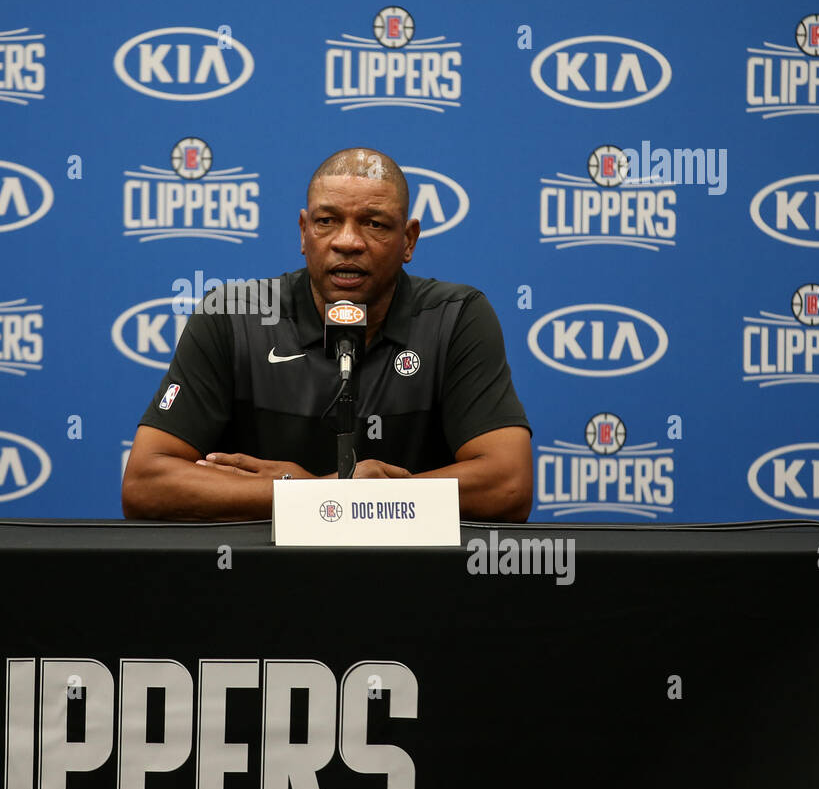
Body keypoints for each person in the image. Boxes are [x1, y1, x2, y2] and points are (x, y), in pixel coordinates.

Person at [121, 148, 533, 522]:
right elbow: (145, 484)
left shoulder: (455, 317)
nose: (348, 242)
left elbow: (508, 485)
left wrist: (342, 499)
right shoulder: (233, 316)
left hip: (409, 582)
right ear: (304, 232)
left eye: (373, 224)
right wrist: (316, 493)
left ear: (408, 240)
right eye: (327, 221)